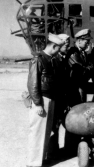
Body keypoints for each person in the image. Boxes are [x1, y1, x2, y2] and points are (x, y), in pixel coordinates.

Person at [27, 33, 65, 167]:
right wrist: (37, 103)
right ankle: (33, 163)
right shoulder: (38, 59)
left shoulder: (51, 59)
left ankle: (41, 160)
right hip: (42, 100)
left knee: (46, 132)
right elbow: (32, 83)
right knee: (37, 131)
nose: (59, 51)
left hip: (51, 99)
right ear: (54, 46)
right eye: (58, 48)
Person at [49, 34, 71, 158]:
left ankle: (59, 150)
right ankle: (52, 153)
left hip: (62, 97)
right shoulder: (54, 59)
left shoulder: (63, 58)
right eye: (64, 43)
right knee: (54, 126)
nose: (66, 45)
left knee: (61, 123)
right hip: (56, 97)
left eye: (67, 43)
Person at [66, 28, 93, 104]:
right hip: (75, 87)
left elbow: (89, 67)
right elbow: (81, 69)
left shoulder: (83, 53)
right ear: (80, 41)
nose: (88, 44)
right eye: (86, 42)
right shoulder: (73, 52)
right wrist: (88, 68)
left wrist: (88, 68)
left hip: (82, 85)